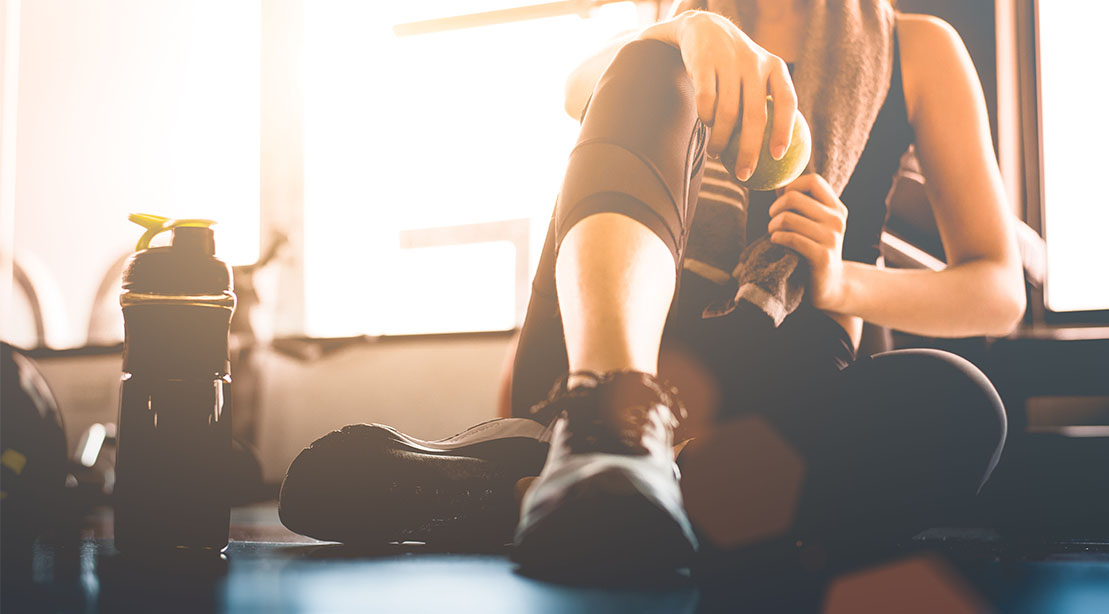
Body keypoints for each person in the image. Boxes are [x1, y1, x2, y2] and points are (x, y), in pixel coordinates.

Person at [280, 0, 1020, 578]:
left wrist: (840, 281)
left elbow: (996, 288)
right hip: (596, 371)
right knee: (648, 61)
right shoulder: (666, 33)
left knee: (957, 407)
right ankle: (613, 437)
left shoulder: (917, 46)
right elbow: (576, 88)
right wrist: (687, 31)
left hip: (775, 398)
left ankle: (533, 493)